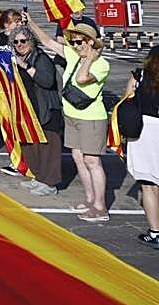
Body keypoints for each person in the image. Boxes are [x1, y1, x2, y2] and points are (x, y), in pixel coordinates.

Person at [28, 12, 110, 222]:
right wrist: (30, 22)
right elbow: (47, 41)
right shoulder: (74, 54)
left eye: (80, 41)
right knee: (78, 159)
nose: (76, 45)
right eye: (73, 41)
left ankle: (100, 207)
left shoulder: (101, 64)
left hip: (91, 119)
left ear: (91, 42)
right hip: (71, 115)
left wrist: (90, 57)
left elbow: (83, 78)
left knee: (92, 161)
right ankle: (90, 199)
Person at [12, 26, 62, 196]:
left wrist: (25, 66)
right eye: (16, 42)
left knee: (48, 147)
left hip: (46, 109)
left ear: (31, 41)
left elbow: (47, 81)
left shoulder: (40, 58)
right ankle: (39, 177)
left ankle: (50, 182)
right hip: (28, 110)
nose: (19, 45)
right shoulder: (16, 59)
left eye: (23, 41)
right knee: (32, 147)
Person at [125, 46, 159, 248]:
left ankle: (155, 232)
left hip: (145, 129)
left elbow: (126, 99)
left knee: (148, 184)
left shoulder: (140, 76)